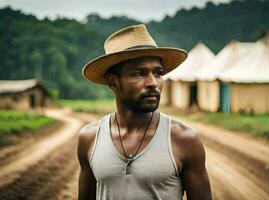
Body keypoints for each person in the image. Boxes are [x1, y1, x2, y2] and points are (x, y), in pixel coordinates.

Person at [77, 24, 212, 200]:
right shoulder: (90, 138)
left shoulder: (184, 140)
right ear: (113, 82)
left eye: (158, 73)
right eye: (139, 74)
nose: (153, 83)